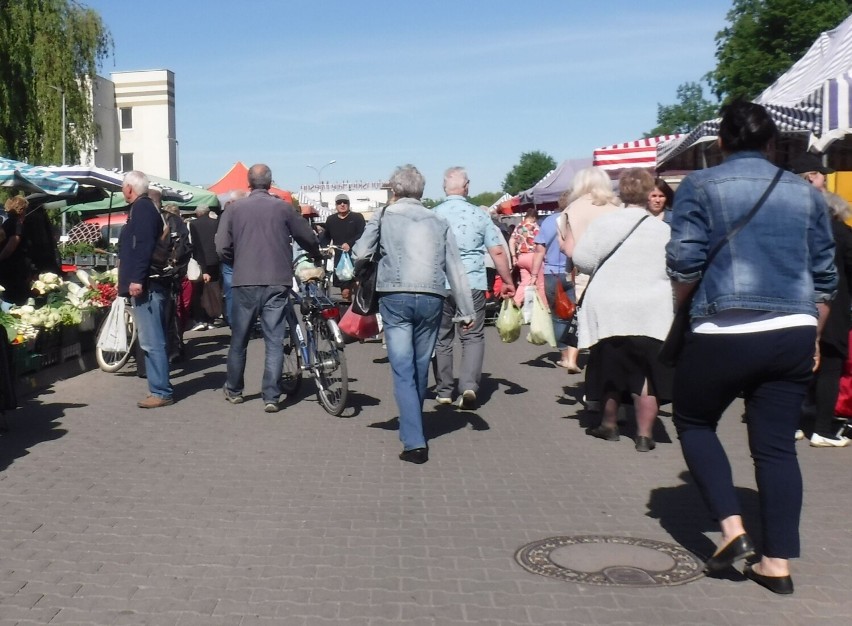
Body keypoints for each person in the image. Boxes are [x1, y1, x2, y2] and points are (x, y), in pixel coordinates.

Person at [667, 100, 837, 594]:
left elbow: (684, 261)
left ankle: (733, 531)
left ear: (721, 144)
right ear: (771, 145)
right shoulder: (805, 193)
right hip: (793, 331)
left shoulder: (699, 185)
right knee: (777, 450)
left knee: (696, 421)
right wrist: (815, 336)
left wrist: (684, 308)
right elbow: (825, 276)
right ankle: (777, 565)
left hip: (723, 329)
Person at [352, 165, 474, 464]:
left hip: (395, 296)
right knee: (420, 366)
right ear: (421, 190)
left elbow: (360, 253)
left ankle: (414, 441)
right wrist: (466, 310)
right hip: (433, 297)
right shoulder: (439, 220)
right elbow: (455, 267)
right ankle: (414, 424)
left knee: (402, 368)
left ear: (394, 190)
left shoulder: (383, 216)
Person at [572, 168, 673, 452]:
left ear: (621, 192)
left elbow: (583, 260)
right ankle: (644, 434)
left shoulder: (605, 224)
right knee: (646, 375)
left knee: (609, 370)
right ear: (648, 193)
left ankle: (609, 424)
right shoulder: (663, 229)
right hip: (652, 310)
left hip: (610, 308)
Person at [215, 163, 321, 413]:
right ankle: (271, 395)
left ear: (248, 183)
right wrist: (316, 252)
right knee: (274, 339)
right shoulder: (283, 208)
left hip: (245, 281)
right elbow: (306, 237)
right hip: (277, 280)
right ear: (271, 182)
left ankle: (235, 390)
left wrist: (236, 261)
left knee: (239, 338)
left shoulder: (234, 209)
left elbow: (221, 247)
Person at [433, 166, 515, 410]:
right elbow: (497, 251)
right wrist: (508, 281)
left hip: (442, 284)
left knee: (442, 337)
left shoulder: (433, 215)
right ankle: (468, 385)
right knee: (473, 336)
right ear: (467, 187)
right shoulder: (480, 216)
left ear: (443, 188)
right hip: (472, 284)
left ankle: (444, 390)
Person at [117, 171, 174, 409]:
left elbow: (142, 246)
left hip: (147, 284)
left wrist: (137, 279)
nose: (122, 191)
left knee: (152, 340)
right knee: (153, 339)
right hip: (152, 282)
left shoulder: (141, 209)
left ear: (130, 188)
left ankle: (160, 391)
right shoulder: (148, 207)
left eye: (123, 187)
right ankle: (159, 388)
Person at [803, 192, 852, 447]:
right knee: (831, 369)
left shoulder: (802, 232)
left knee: (802, 368)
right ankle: (823, 429)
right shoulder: (843, 234)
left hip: (800, 307)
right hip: (834, 307)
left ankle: (795, 425)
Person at [529, 191, 579, 372]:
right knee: (576, 315)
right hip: (574, 273)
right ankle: (575, 355)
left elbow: (539, 251)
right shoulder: (576, 219)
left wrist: (534, 275)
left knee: (558, 317)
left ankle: (564, 355)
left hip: (551, 274)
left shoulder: (548, 222)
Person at [322, 193, 365, 303]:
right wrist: (323, 248)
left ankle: (360, 314)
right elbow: (326, 236)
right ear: (335, 205)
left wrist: (350, 243)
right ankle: (347, 313)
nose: (342, 204)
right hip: (340, 261)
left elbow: (362, 234)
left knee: (359, 289)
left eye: (345, 202)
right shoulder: (331, 220)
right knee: (345, 293)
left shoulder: (357, 218)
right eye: (339, 202)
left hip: (356, 257)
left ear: (349, 204)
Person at [215, 189, 248, 326]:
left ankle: (235, 324)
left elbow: (221, 244)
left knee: (231, 293)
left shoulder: (226, 215)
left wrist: (226, 256)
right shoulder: (249, 214)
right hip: (244, 258)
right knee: (246, 291)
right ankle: (244, 323)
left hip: (230, 258)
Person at [189, 204, 222, 330]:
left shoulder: (193, 224)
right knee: (215, 288)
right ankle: (213, 315)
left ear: (198, 213)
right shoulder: (215, 223)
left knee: (199, 291)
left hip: (200, 260)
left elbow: (195, 244)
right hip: (215, 259)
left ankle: (202, 318)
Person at [0, 196, 31, 305]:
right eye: (25, 210)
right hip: (14, 271)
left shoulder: (6, 223)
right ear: (21, 210)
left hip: (6, 269)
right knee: (16, 300)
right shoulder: (16, 224)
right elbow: (11, 245)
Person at [509, 207, 540, 309]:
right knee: (539, 281)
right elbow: (540, 241)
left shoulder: (519, 226)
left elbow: (511, 241)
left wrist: (513, 256)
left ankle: (517, 301)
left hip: (521, 258)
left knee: (524, 282)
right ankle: (542, 306)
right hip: (533, 256)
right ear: (534, 217)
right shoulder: (534, 226)